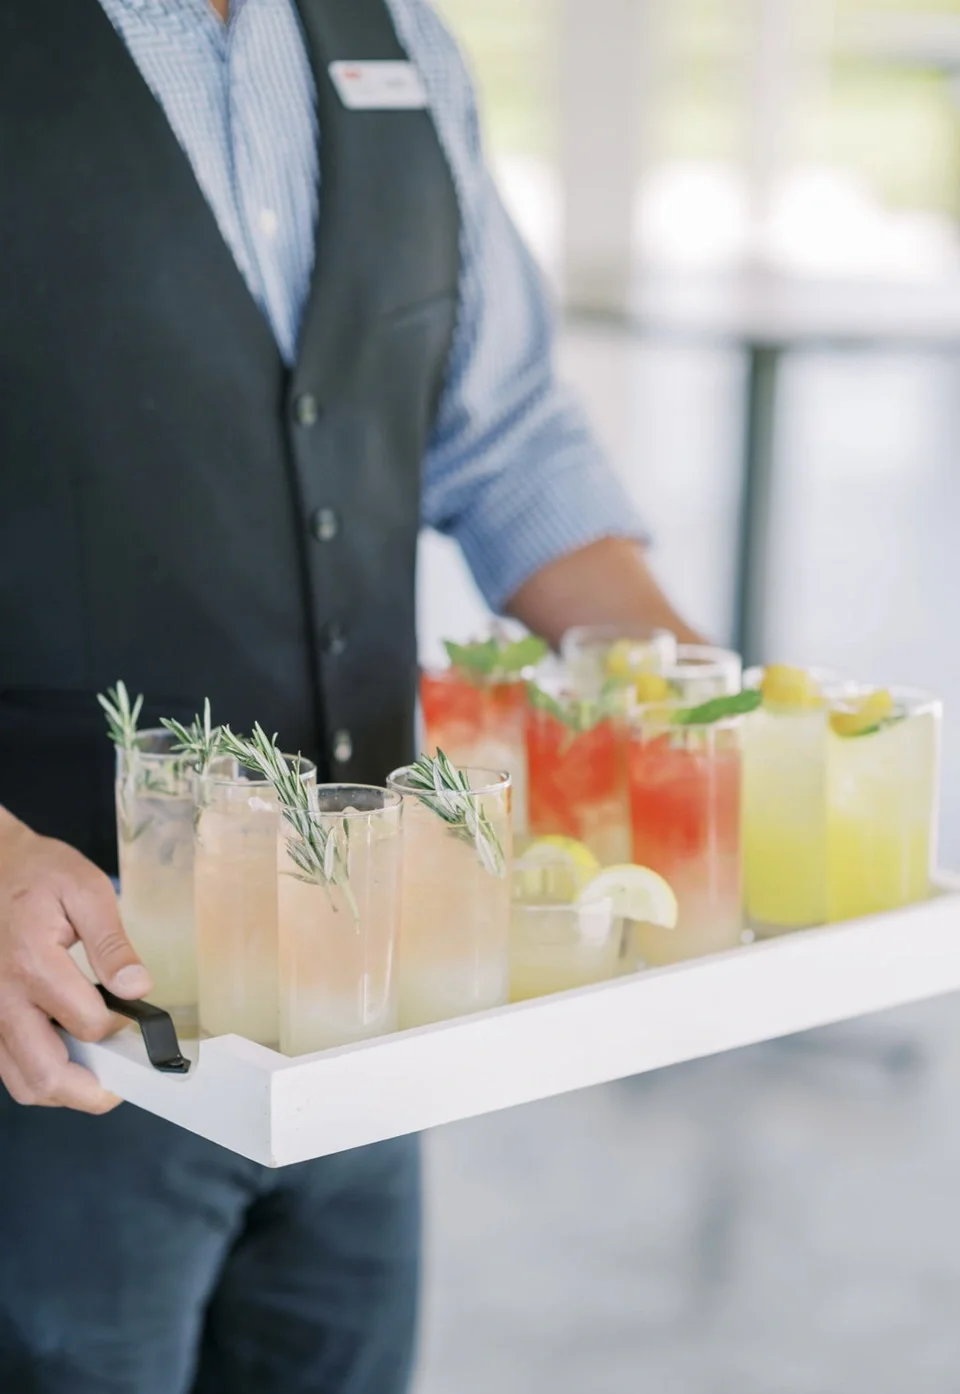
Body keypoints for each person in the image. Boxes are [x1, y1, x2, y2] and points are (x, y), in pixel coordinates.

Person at [0, 1, 699, 1390]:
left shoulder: (402, 46)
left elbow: (502, 440)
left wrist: (689, 701)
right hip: (61, 1033)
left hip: (366, 1006)